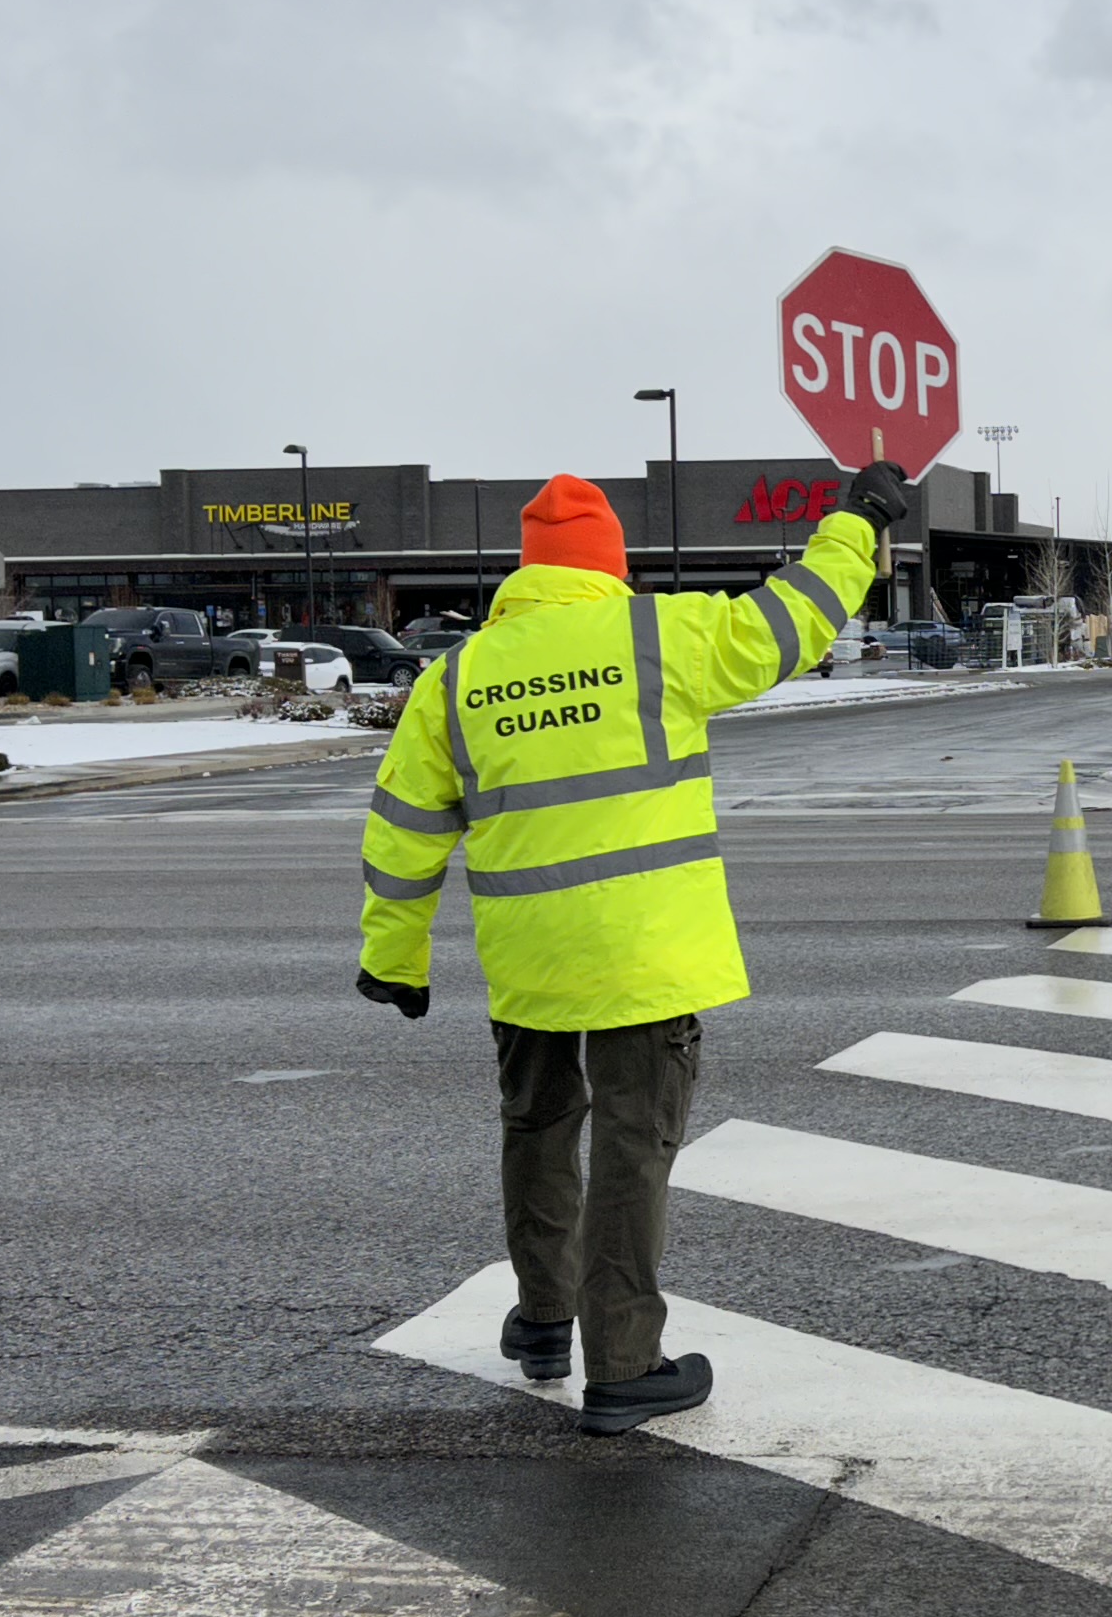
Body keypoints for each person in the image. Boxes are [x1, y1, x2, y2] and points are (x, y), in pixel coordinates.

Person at [354, 459, 903, 1431]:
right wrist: (855, 519)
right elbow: (798, 617)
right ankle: (623, 1362)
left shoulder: (461, 677)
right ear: (609, 566)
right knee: (629, 1149)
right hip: (642, 959)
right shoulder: (662, 638)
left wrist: (394, 957)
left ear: (525, 574)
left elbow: (403, 826)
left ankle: (541, 1321)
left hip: (528, 965)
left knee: (536, 1130)